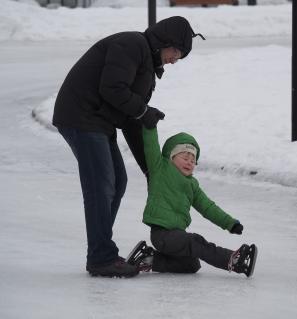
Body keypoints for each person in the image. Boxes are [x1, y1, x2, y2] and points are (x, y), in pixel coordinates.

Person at [52, 16, 205, 278]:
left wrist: (151, 170)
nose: (175, 59)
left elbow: (132, 121)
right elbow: (112, 88)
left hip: (99, 121)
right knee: (102, 184)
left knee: (117, 181)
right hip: (81, 115)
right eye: (176, 52)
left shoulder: (147, 67)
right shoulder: (132, 44)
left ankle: (101, 251)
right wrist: (143, 110)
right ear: (164, 42)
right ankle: (101, 256)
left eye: (180, 56)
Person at [126, 123, 258, 277]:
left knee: (191, 264)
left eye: (193, 159)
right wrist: (150, 125)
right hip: (162, 235)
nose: (189, 162)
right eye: (185, 157)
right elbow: (151, 147)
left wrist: (230, 223)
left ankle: (149, 259)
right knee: (195, 242)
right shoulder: (160, 170)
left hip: (176, 235)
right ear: (171, 157)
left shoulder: (192, 185)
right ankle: (233, 260)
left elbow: (208, 207)